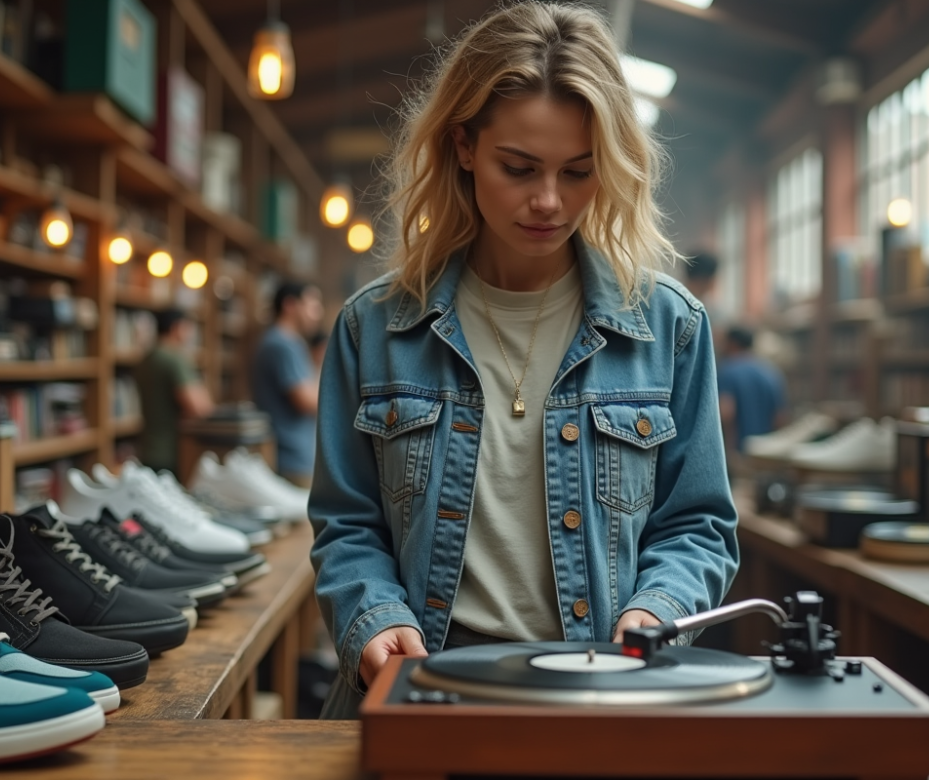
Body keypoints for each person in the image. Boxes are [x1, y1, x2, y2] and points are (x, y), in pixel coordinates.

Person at [309, 2, 739, 719]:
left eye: (579, 171)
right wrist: (374, 614)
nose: (548, 201)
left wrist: (657, 608)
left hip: (606, 694)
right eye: (520, 166)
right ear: (464, 146)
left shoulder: (668, 327)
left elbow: (697, 524)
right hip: (424, 694)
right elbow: (347, 523)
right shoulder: (375, 326)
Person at [252, 282, 323, 488]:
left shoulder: (291, 343)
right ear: (290, 305)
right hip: (291, 459)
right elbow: (306, 401)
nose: (317, 312)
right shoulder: (281, 344)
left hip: (296, 455)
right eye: (312, 304)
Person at [134, 309, 214, 474]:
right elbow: (200, 408)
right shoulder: (174, 358)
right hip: (171, 451)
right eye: (188, 328)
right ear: (176, 327)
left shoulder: (147, 358)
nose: (190, 335)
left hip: (147, 448)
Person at [716, 325, 787, 453]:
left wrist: (728, 451)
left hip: (740, 450)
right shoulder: (771, 371)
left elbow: (727, 413)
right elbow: (779, 417)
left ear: (732, 344)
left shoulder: (728, 370)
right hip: (765, 453)